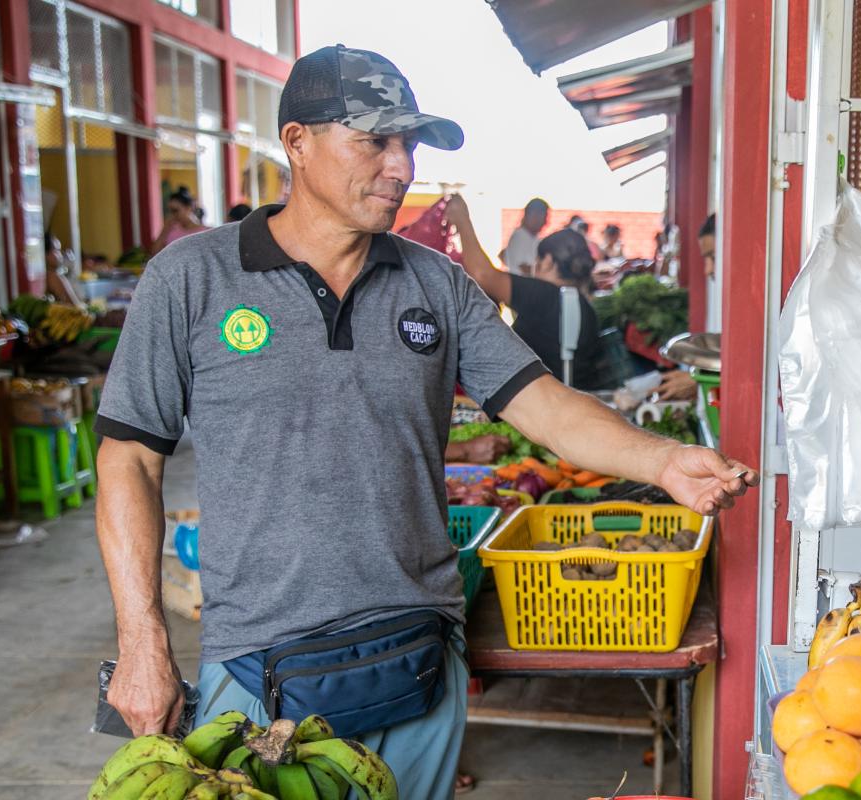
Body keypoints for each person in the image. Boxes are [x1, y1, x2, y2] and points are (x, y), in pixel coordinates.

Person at [94, 45, 755, 800]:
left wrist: (663, 461)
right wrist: (142, 638)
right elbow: (129, 460)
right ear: (297, 142)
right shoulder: (193, 278)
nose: (402, 166)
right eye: (375, 140)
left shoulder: (434, 283)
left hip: (418, 658)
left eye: (409, 143)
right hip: (258, 665)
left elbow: (540, 403)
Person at [446, 194, 602, 388]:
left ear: (547, 262)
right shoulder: (585, 307)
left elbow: (483, 275)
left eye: (538, 259)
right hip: (571, 399)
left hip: (545, 406)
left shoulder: (545, 296)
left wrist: (462, 220)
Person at [148, 187, 208, 256]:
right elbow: (154, 254)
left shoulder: (205, 231)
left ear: (188, 208)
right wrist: (164, 230)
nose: (172, 215)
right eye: (170, 211)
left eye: (175, 211)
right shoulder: (170, 230)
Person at [499, 197, 547, 276]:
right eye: (543, 216)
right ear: (532, 215)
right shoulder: (520, 236)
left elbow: (502, 255)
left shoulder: (534, 238)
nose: (545, 222)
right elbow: (523, 267)